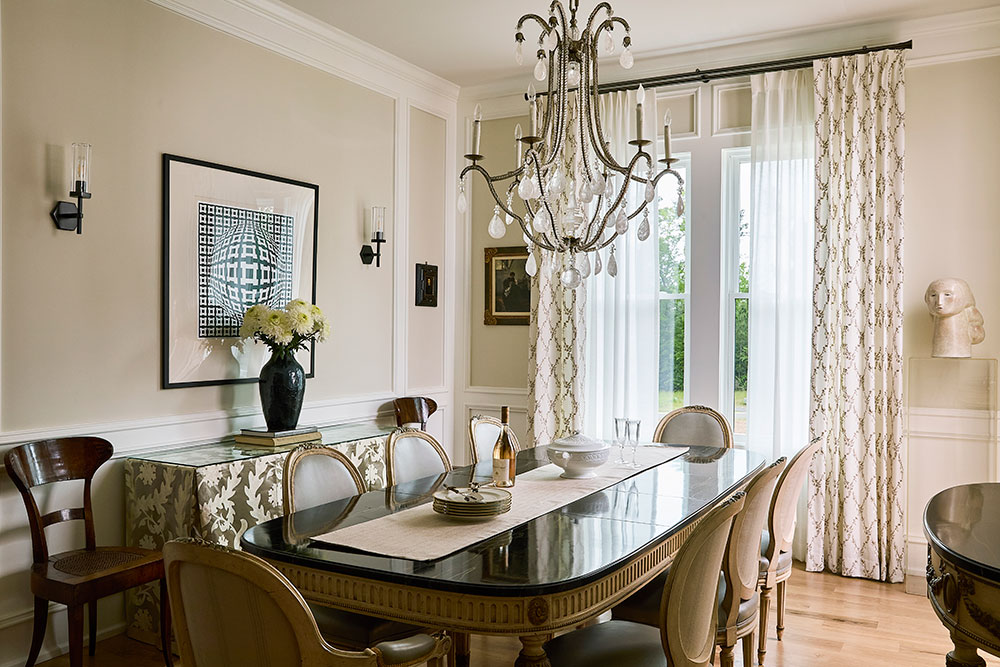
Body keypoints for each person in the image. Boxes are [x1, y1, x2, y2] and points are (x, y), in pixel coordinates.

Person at [925, 277, 985, 357]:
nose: (939, 302)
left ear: (964, 296)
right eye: (933, 295)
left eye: (947, 295)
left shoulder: (971, 316)